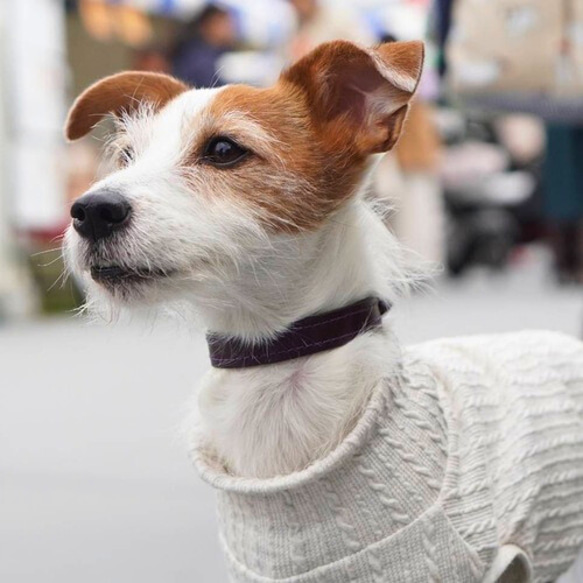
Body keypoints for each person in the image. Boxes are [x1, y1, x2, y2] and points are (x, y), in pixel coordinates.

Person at [170, 4, 236, 88]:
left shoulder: (223, 52)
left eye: (229, 24)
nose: (228, 29)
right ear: (206, 25)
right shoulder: (195, 56)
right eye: (222, 24)